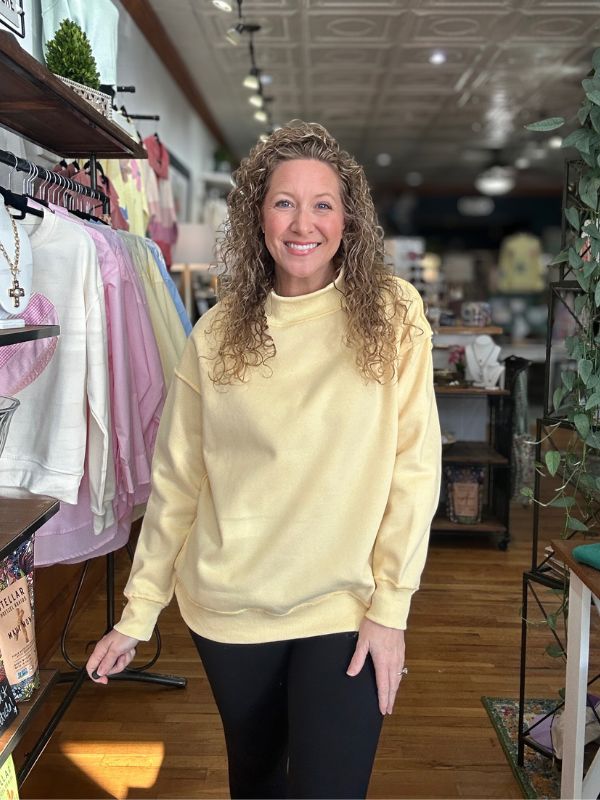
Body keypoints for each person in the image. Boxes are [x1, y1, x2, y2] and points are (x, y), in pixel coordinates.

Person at [86, 121, 442, 800]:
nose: (303, 223)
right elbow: (179, 483)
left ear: (348, 220)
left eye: (322, 204)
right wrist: (139, 611)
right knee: (256, 785)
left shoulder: (394, 314)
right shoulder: (216, 334)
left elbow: (415, 466)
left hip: (346, 605)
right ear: (258, 216)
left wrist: (391, 607)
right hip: (231, 607)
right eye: (284, 202)